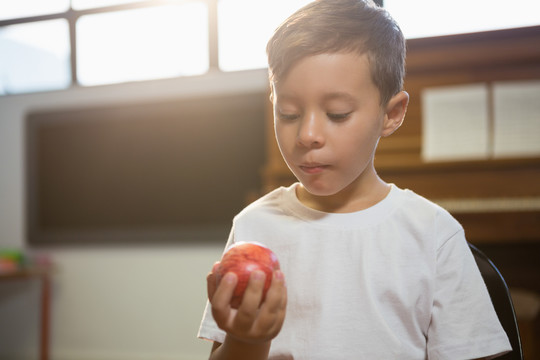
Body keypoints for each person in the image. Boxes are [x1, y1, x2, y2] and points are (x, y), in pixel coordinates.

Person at [198, 0, 512, 359]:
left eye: (337, 113)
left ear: (391, 114)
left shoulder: (433, 234)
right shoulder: (254, 225)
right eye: (288, 113)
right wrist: (247, 341)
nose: (308, 134)